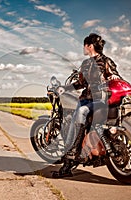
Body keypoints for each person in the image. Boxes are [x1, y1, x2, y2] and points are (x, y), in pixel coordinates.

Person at [52, 33, 121, 178]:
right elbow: (80, 84)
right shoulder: (86, 64)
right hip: (89, 99)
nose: (83, 48)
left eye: (84, 45)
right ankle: (74, 152)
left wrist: (114, 76)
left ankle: (69, 158)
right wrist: (65, 88)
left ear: (89, 46)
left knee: (79, 115)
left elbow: (113, 74)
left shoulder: (105, 61)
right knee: (77, 115)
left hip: (96, 101)